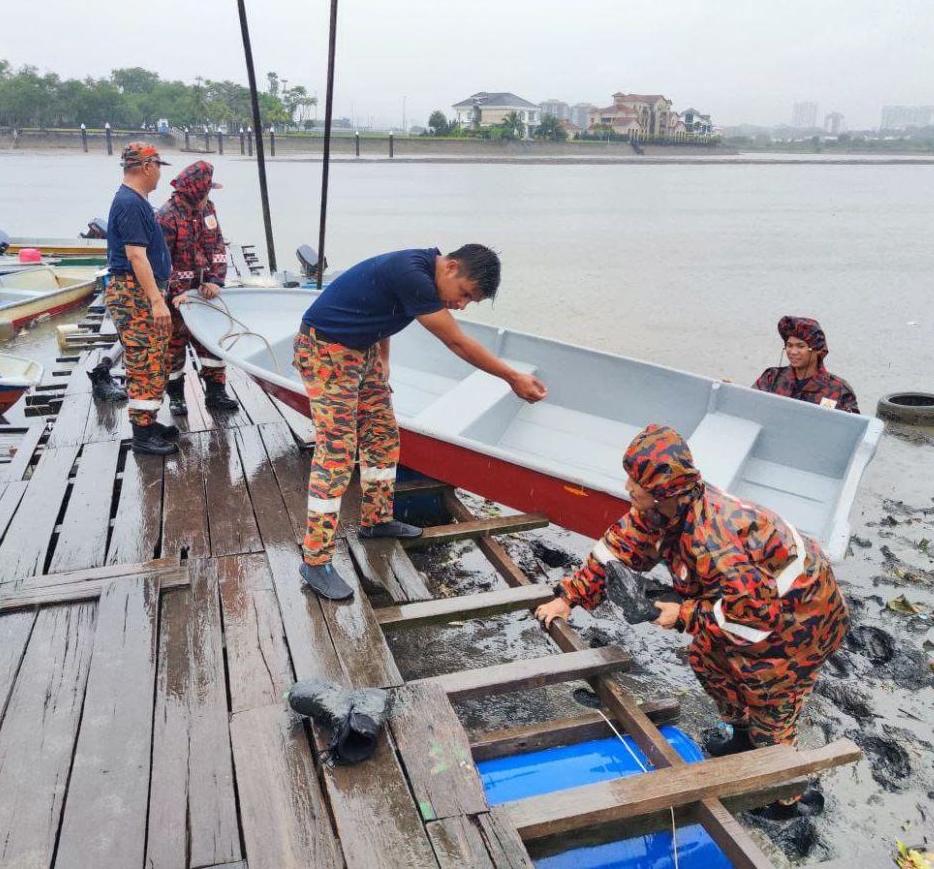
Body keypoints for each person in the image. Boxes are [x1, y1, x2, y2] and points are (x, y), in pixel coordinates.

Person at [534, 425, 848, 815]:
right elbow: (615, 550)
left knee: (769, 697)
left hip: (801, 618)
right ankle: (742, 739)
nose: (629, 487)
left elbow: (755, 617)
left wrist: (683, 613)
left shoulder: (715, 538)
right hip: (749, 604)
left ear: (664, 490)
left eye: (637, 481)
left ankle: (782, 798)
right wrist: (569, 597)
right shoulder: (659, 512)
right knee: (707, 660)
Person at [294, 244, 548, 600]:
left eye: (468, 302)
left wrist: (383, 357)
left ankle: (376, 521)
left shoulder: (421, 271)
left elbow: (378, 306)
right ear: (452, 267)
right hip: (325, 351)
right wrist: (512, 378)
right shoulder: (414, 275)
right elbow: (457, 342)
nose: (461, 305)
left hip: (361, 350)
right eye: (464, 295)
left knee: (383, 436)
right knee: (336, 454)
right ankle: (315, 560)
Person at [104, 142, 179, 456]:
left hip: (142, 293)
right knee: (144, 361)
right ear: (148, 166)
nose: (160, 174)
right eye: (159, 166)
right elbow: (136, 255)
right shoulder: (131, 203)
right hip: (135, 294)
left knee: (155, 359)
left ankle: (148, 422)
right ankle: (142, 434)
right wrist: (156, 300)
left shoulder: (135, 201)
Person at [156, 160, 239, 416]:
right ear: (195, 192)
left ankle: (216, 393)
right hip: (178, 298)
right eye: (206, 192)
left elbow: (217, 247)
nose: (208, 197)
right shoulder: (166, 217)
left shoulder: (208, 210)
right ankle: (177, 396)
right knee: (174, 347)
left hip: (205, 292)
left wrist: (215, 280)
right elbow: (160, 261)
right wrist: (175, 291)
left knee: (212, 342)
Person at [752, 316, 859, 413]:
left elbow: (851, 428)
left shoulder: (838, 390)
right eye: (789, 345)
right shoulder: (771, 378)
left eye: (800, 346)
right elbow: (750, 407)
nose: (793, 352)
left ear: (817, 349)